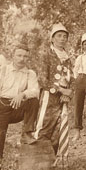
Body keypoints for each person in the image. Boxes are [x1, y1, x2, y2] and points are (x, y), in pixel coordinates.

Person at [24, 23, 74, 159]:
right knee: (44, 127)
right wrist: (61, 91)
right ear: (52, 39)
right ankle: (35, 162)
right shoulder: (46, 54)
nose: (62, 39)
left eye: (65, 36)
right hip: (49, 96)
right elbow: (42, 79)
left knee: (59, 129)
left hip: (63, 99)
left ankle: (54, 163)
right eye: (59, 36)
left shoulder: (68, 57)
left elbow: (72, 78)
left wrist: (68, 94)